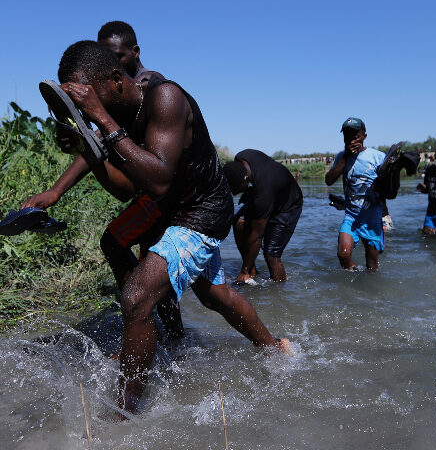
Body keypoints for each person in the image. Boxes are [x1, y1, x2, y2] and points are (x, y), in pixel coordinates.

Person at [54, 40, 288, 415]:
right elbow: (127, 189)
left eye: (88, 100)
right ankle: (276, 347)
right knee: (214, 297)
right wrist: (90, 143)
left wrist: (102, 119)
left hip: (201, 211)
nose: (87, 110)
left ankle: (124, 413)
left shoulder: (166, 98)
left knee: (136, 298)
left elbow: (160, 178)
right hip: (169, 210)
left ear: (116, 80)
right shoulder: (116, 116)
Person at [22, 21, 185, 338]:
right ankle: (156, 331)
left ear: (134, 54)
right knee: (142, 258)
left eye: (117, 57)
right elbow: (97, 144)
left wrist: (96, 129)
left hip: (166, 191)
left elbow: (124, 146)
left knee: (190, 284)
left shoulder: (151, 86)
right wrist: (56, 189)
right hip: (145, 189)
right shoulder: (113, 97)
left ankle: (148, 330)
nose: (111, 63)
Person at [222, 149, 303, 282]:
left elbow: (256, 236)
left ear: (246, 180)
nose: (233, 193)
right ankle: (251, 271)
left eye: (235, 189)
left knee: (271, 253)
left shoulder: (263, 193)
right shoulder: (242, 157)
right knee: (239, 222)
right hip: (266, 191)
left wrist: (243, 270)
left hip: (288, 204)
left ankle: (279, 291)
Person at [325, 117, 385, 270]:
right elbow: (329, 180)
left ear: (364, 136)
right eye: (347, 136)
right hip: (351, 216)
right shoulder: (341, 156)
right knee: (343, 255)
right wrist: (345, 156)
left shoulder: (378, 157)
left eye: (355, 136)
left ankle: (367, 290)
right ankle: (353, 283)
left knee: (372, 266)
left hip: (372, 218)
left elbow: (389, 190)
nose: (351, 140)